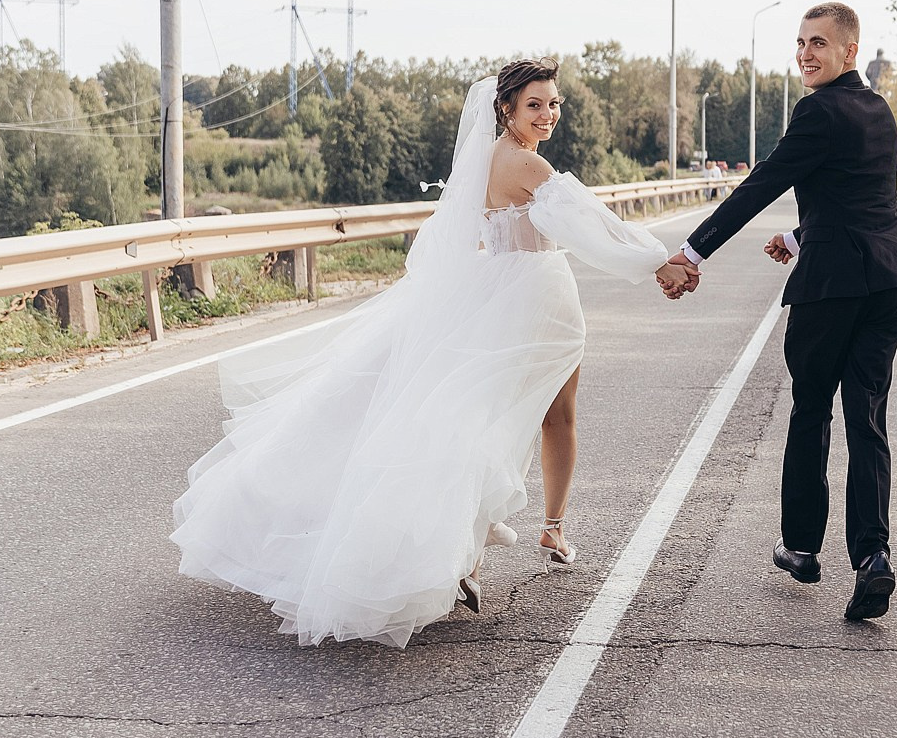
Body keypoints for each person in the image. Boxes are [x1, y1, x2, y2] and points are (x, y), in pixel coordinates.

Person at [172, 59, 697, 648]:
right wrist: (661, 262)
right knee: (550, 417)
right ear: (506, 109)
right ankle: (525, 535)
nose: (548, 114)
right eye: (535, 105)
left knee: (487, 416)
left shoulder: (485, 158)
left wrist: (658, 259)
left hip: (496, 291)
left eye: (554, 104)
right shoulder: (526, 162)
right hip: (537, 296)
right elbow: (593, 228)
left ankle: (507, 538)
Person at [664, 2, 897, 621]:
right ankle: (873, 558)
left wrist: (692, 250)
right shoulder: (877, 110)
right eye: (801, 42)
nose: (806, 53)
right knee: (867, 418)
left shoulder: (817, 110)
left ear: (849, 52)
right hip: (887, 281)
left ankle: (803, 548)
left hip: (831, 290)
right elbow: (859, 197)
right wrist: (802, 238)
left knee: (811, 412)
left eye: (820, 44)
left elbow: (763, 183)